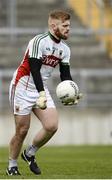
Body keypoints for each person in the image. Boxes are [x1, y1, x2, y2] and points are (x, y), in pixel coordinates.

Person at [6, 9, 82, 176]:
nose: (68, 29)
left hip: (40, 88)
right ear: (53, 25)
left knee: (51, 125)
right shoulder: (38, 41)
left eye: (69, 25)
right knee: (22, 130)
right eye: (65, 26)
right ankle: (12, 165)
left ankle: (30, 153)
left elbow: (65, 75)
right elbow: (34, 69)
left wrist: (71, 92)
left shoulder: (65, 49)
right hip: (22, 86)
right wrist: (41, 93)